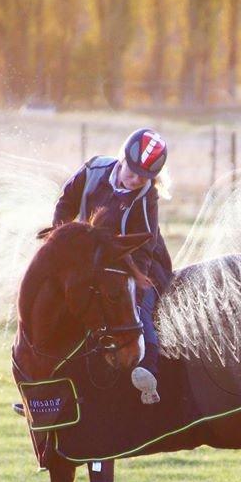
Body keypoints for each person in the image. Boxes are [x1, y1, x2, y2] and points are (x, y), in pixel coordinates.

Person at [53, 128, 172, 404]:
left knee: (138, 308)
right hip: (92, 262)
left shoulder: (146, 197)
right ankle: (47, 384)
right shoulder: (93, 170)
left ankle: (148, 371)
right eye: (132, 171)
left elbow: (144, 247)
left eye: (145, 176)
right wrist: (62, 242)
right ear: (121, 159)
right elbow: (65, 203)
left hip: (140, 264)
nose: (136, 179)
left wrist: (134, 284)